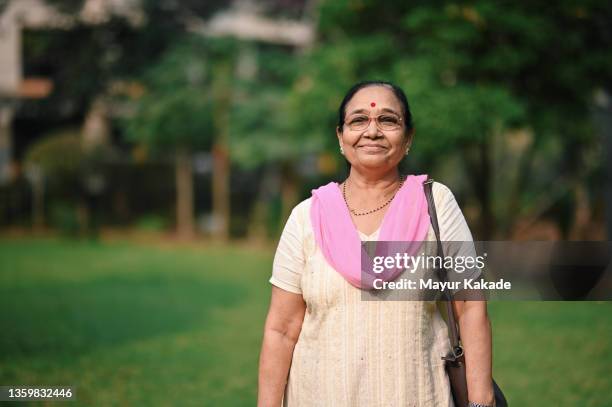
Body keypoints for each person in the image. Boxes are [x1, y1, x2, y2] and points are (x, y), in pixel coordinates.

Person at [257, 80, 495, 406]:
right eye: (358, 120)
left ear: (408, 137)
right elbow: (281, 330)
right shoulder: (306, 217)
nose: (372, 131)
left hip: (418, 396)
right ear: (340, 137)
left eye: (388, 120)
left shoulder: (436, 205)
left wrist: (481, 401)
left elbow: (469, 307)